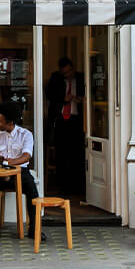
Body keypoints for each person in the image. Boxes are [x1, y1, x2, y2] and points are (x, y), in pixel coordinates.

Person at [0, 102, 43, 239]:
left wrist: (7, 163)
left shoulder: (25, 135)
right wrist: (2, 167)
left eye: (0, 121)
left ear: (10, 122)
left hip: (20, 171)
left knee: (33, 191)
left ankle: (35, 229)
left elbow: (26, 157)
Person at [45, 56, 85, 196]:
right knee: (61, 154)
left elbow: (88, 94)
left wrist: (80, 100)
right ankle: (63, 188)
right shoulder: (55, 79)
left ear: (73, 69)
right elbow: (49, 94)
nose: (67, 76)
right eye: (64, 73)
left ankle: (77, 187)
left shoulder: (81, 78)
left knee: (77, 154)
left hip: (76, 121)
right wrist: (63, 98)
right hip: (61, 120)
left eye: (69, 72)